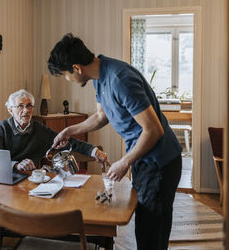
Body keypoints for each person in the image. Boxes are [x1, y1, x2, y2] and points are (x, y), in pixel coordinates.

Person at [48, 33, 182, 250]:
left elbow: (153, 130)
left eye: (65, 75)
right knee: (146, 226)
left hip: (159, 162)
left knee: (151, 231)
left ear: (76, 68)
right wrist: (69, 131)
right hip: (145, 158)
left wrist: (124, 162)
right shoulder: (99, 77)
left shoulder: (120, 79)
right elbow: (102, 116)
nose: (67, 79)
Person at [0, 89, 108, 171]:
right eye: (20, 106)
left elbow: (68, 142)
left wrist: (94, 151)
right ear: (10, 110)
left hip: (31, 180)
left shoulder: (39, 129)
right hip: (8, 180)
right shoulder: (2, 128)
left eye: (29, 106)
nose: (26, 110)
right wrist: (16, 165)